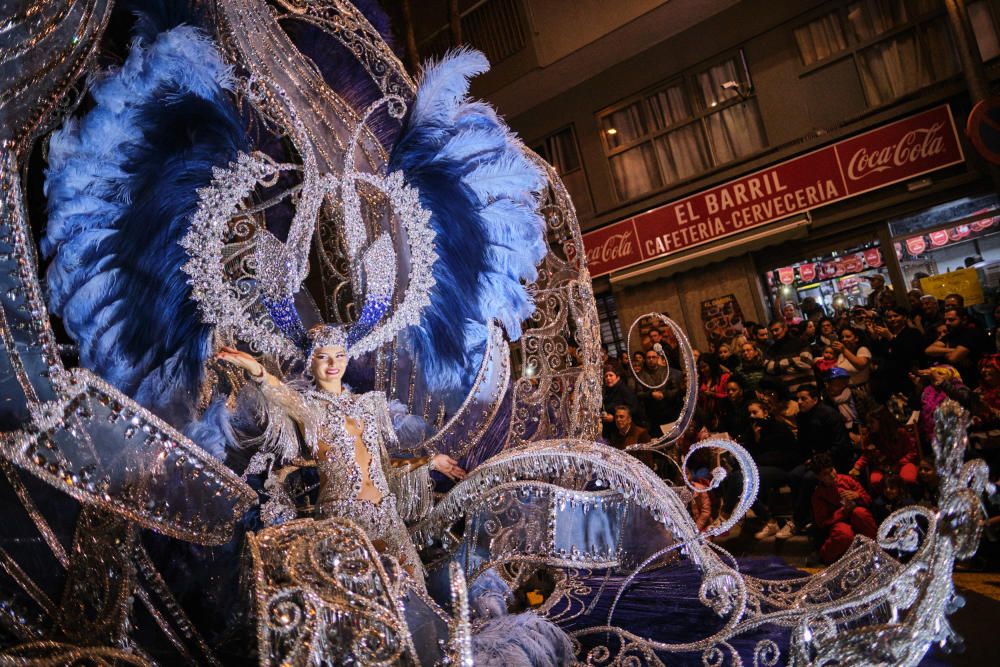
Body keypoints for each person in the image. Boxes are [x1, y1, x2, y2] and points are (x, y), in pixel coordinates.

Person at [218, 325, 466, 583]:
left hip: (387, 517)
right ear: (310, 362)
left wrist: (428, 462)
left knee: (414, 590)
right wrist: (256, 370)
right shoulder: (308, 408)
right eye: (323, 356)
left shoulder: (369, 405)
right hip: (344, 521)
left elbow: (382, 467)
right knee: (362, 596)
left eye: (339, 355)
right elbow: (280, 392)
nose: (332, 363)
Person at [746, 400, 802, 540]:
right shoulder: (753, 431)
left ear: (765, 412)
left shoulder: (778, 428)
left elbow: (785, 454)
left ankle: (771, 521)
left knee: (751, 477)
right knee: (739, 480)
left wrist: (761, 454)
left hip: (781, 468)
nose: (752, 416)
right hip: (763, 468)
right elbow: (751, 455)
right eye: (750, 413)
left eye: (755, 412)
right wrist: (756, 439)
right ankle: (769, 520)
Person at [810, 453, 877, 564]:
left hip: (855, 517)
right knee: (844, 533)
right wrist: (843, 512)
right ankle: (827, 557)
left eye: (832, 470)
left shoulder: (846, 480)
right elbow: (822, 521)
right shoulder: (818, 495)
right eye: (825, 474)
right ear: (819, 477)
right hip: (838, 523)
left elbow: (868, 499)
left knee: (860, 513)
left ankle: (876, 547)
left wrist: (857, 495)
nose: (832, 475)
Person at [868, 304, 923, 400]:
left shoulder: (912, 333)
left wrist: (890, 337)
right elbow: (879, 354)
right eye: (889, 317)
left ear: (904, 317)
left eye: (896, 316)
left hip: (908, 378)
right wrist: (874, 338)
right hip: (890, 380)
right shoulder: (887, 335)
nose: (892, 319)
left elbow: (907, 354)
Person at [925, 307, 988, 386]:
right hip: (957, 382)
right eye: (945, 320)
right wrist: (953, 350)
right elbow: (929, 350)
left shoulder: (972, 333)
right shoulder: (951, 335)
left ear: (964, 320)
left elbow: (953, 358)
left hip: (975, 381)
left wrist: (942, 351)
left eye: (951, 320)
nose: (947, 323)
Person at [763, 319, 814, 394]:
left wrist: (780, 368)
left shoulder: (800, 342)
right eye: (772, 331)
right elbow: (769, 368)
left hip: (808, 390)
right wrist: (793, 361)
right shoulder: (771, 349)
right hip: (787, 392)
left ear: (785, 328)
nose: (774, 333)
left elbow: (806, 363)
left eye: (776, 330)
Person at [832, 326, 873, 414]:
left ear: (856, 338)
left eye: (848, 336)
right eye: (842, 337)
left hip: (861, 390)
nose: (844, 339)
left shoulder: (862, 350)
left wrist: (844, 350)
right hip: (847, 392)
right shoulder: (841, 354)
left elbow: (860, 365)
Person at [606, 405, 655, 470]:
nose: (618, 419)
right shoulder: (614, 436)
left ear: (629, 419)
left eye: (621, 417)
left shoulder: (641, 433)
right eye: (616, 417)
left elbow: (647, 461)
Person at [602, 365, 643, 438]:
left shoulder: (624, 390)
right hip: (612, 428)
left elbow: (633, 409)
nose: (608, 378)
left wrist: (614, 417)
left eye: (611, 375)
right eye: (606, 376)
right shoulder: (606, 390)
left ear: (617, 377)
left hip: (626, 430)